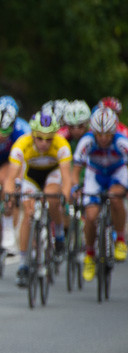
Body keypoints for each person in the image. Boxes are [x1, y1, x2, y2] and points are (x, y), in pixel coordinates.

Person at [4, 112, 72, 287]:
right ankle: (24, 263)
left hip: (52, 175)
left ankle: (58, 236)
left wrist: (65, 196)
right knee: (28, 214)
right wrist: (9, 196)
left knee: (52, 198)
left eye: (49, 139)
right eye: (40, 138)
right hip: (32, 177)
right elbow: (10, 178)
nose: (44, 143)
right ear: (33, 134)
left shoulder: (62, 145)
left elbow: (66, 178)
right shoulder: (22, 144)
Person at [72, 106, 128, 278]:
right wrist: (75, 188)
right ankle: (89, 255)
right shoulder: (86, 142)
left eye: (107, 135)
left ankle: (120, 239)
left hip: (116, 173)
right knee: (90, 217)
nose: (103, 139)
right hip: (94, 175)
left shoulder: (121, 142)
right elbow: (75, 171)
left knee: (115, 197)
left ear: (113, 132)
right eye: (99, 134)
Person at [0, 96, 30, 256]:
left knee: (6, 182)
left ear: (13, 124)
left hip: (11, 162)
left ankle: (8, 225)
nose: (0, 135)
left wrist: (17, 182)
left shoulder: (22, 131)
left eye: (5, 130)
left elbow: (23, 162)